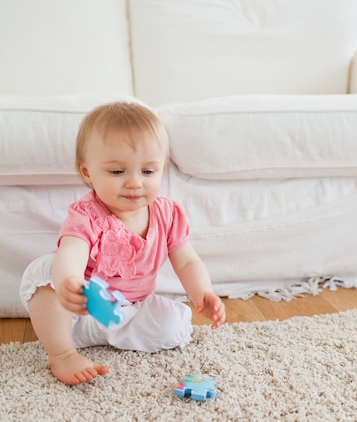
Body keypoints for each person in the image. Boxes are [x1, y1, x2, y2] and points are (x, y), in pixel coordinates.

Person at [20, 101, 226, 386]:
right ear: (87, 172)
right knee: (43, 272)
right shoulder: (86, 215)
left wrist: (203, 292)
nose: (134, 183)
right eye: (118, 172)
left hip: (130, 312)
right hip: (79, 310)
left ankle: (108, 336)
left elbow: (187, 260)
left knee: (176, 327)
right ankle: (63, 352)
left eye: (148, 172)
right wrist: (69, 282)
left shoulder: (168, 214)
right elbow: (71, 252)